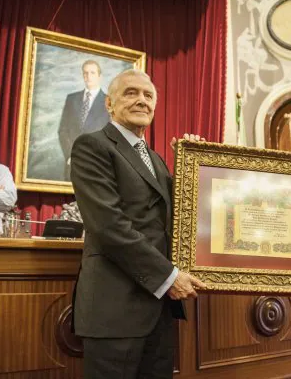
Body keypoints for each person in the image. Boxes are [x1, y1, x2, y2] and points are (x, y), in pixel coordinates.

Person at [70, 68, 207, 379]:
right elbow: (109, 226)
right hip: (114, 309)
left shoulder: (156, 159)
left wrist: (196, 163)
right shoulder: (92, 146)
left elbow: (182, 217)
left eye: (148, 95)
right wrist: (169, 277)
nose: (141, 100)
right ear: (109, 103)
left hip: (158, 310)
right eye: (131, 93)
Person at [58, 59, 110, 181]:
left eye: (92, 73)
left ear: (99, 76)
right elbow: (63, 130)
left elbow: (110, 136)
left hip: (97, 166)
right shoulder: (71, 99)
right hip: (72, 164)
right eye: (85, 73)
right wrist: (70, 155)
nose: (88, 76)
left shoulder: (110, 102)